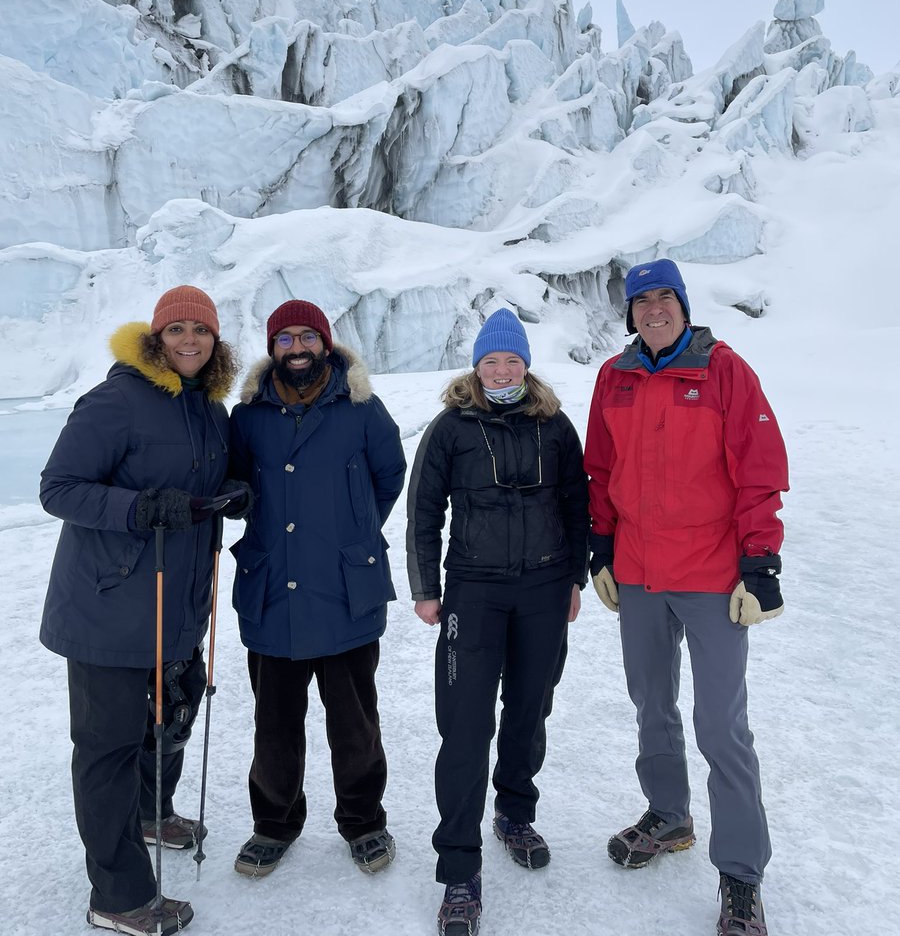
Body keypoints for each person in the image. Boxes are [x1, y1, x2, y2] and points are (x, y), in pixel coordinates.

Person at [583, 258, 789, 936]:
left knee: (721, 726)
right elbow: (600, 470)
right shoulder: (614, 378)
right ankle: (668, 817)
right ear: (630, 314)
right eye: (641, 301)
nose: (652, 310)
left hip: (711, 576)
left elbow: (759, 469)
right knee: (651, 704)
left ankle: (740, 875)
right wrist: (602, 548)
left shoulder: (724, 371)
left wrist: (759, 564)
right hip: (639, 574)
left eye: (663, 298)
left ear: (683, 304)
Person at [40, 285, 250, 936]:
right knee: (108, 749)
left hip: (177, 601)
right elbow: (59, 489)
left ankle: (152, 813)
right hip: (109, 607)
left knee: (173, 712)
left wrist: (235, 492)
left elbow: (204, 483)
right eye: (177, 328)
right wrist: (136, 508)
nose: (190, 340)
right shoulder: (115, 401)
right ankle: (119, 895)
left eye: (202, 331)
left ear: (216, 341)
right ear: (156, 337)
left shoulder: (209, 410)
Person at [407, 308, 590, 936]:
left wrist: (573, 579)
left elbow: (576, 504)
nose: (502, 370)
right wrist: (427, 588)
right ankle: (459, 868)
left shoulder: (556, 426)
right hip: (474, 592)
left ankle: (514, 810)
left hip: (544, 588)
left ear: (526, 365)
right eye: (492, 360)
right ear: (476, 366)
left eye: (512, 360)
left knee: (530, 707)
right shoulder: (451, 428)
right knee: (463, 724)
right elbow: (423, 510)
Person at [228, 299, 406, 879]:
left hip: (344, 589)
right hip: (271, 589)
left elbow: (389, 474)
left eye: (308, 337)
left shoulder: (361, 408)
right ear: (272, 348)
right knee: (274, 723)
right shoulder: (248, 415)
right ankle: (273, 825)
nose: (298, 349)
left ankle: (363, 821)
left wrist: (353, 533)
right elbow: (234, 483)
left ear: (325, 344)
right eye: (286, 340)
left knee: (354, 722)